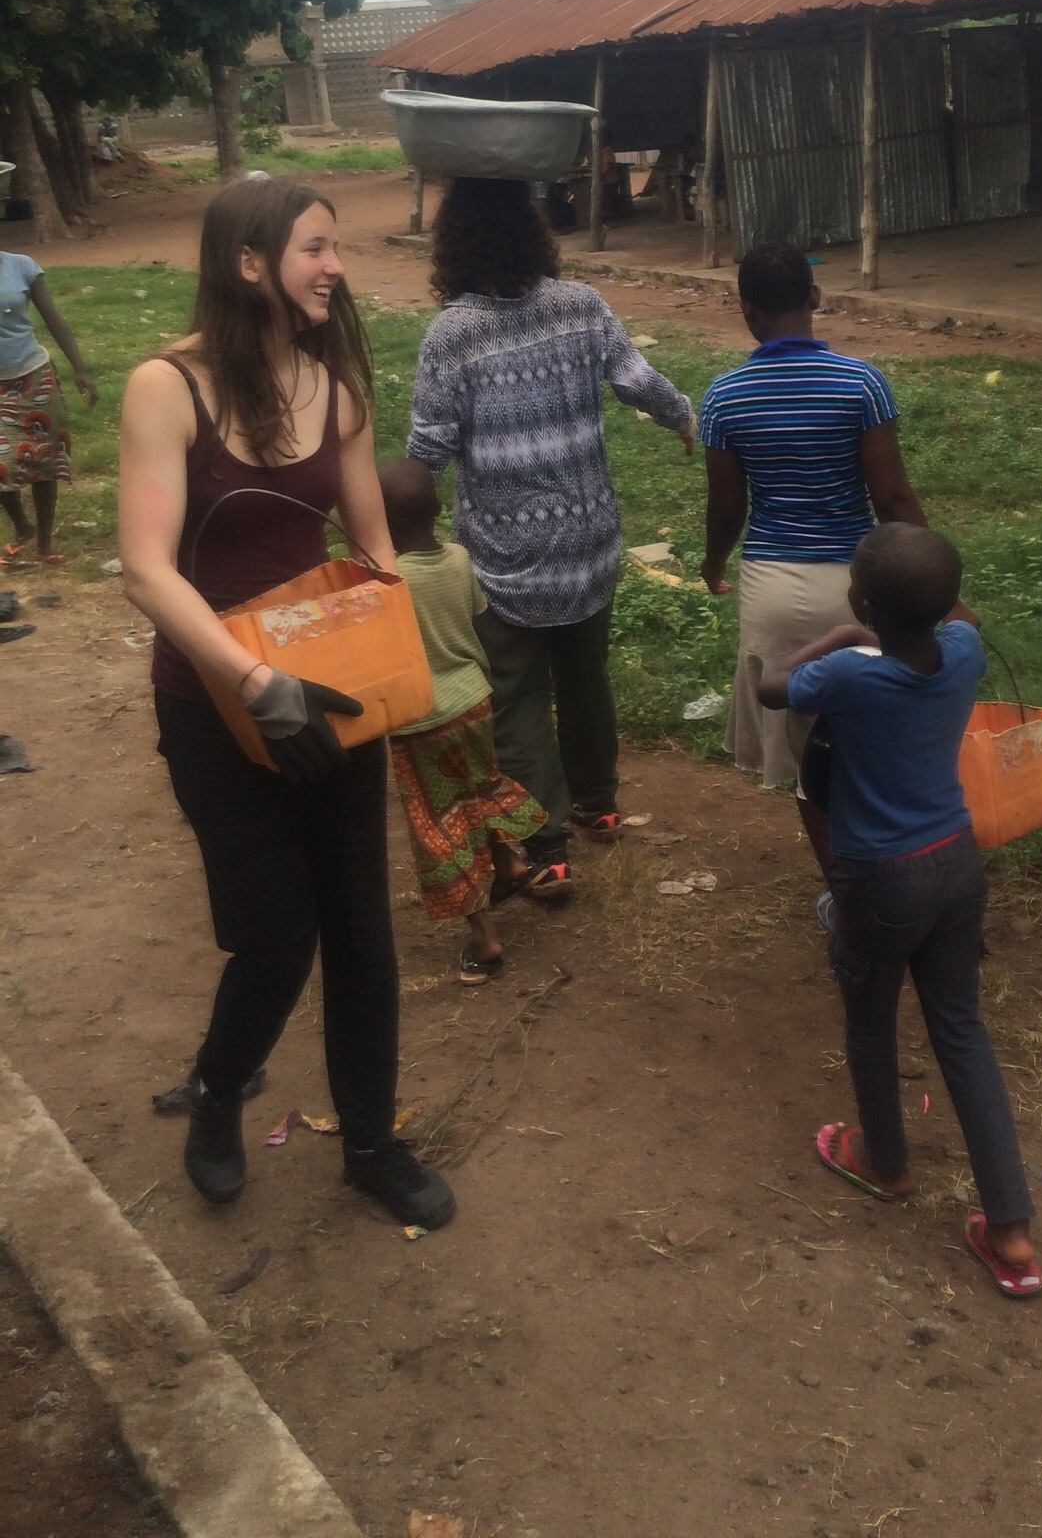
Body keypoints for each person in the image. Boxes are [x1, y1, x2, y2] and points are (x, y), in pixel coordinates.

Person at [118, 180, 453, 1231]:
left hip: (331, 695)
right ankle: (219, 1090)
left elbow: (374, 541)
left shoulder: (333, 385)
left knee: (361, 929)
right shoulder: (167, 387)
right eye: (316, 247)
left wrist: (402, 654)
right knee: (273, 937)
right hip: (217, 705)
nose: (335, 266)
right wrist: (255, 682)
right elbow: (146, 569)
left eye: (334, 247)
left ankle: (371, 1143)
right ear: (250, 262)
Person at [758, 522, 1041, 1298]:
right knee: (961, 1029)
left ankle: (884, 1161)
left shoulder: (848, 677)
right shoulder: (965, 653)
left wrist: (843, 637)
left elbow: (771, 687)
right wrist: (902, 615)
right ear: (946, 605)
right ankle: (1012, 1230)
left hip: (879, 879)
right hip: (956, 866)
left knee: (870, 1016)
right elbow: (962, 621)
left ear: (864, 602)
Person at [408, 178, 694, 861]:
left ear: (453, 246)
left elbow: (428, 450)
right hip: (588, 542)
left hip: (504, 557)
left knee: (516, 695)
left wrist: (403, 528)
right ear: (534, 232)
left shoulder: (452, 334)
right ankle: (599, 802)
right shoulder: (581, 306)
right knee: (585, 675)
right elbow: (637, 380)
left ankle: (544, 844)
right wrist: (681, 414)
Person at [699, 244, 926, 801]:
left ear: (747, 310)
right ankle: (867, 845)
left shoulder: (724, 396)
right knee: (865, 741)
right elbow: (892, 498)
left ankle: (827, 849)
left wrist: (713, 564)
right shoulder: (861, 383)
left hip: (771, 589)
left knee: (805, 755)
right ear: (816, 297)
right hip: (855, 588)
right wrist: (932, 581)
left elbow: (727, 508)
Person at [377, 457, 565, 987]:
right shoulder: (460, 558)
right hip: (474, 702)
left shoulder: (386, 581)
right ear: (438, 509)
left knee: (440, 824)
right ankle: (509, 862)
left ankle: (484, 940)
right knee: (477, 788)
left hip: (421, 719)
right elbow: (475, 613)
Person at [0, 247, 98, 565]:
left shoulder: (21, 266)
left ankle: (44, 544)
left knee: (44, 460)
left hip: (33, 378)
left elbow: (53, 318)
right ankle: (22, 526)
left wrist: (80, 369)